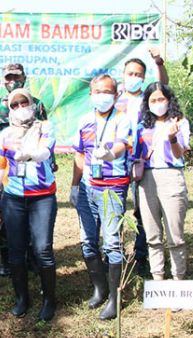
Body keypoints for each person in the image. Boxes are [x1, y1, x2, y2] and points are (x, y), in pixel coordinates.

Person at [0, 88, 58, 321]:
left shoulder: (45, 127)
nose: (19, 108)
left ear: (32, 104)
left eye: (23, 103)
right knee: (16, 250)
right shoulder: (5, 134)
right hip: (13, 198)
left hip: (43, 196)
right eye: (14, 105)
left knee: (42, 248)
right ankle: (22, 298)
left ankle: (49, 300)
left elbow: (46, 153)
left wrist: (29, 154)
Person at [0, 63, 48, 277]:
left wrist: (50, 162)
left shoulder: (37, 104)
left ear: (24, 77)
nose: (12, 81)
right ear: (3, 80)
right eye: (8, 77)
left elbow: (45, 135)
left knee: (35, 216)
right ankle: (7, 259)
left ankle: (34, 257)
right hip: (7, 170)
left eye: (16, 76)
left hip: (34, 171)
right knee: (7, 216)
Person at [70, 74, 131, 321]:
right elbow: (79, 155)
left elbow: (120, 146)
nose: (102, 96)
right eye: (98, 91)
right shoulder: (84, 121)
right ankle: (99, 288)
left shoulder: (122, 119)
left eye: (107, 91)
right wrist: (74, 186)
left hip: (112, 189)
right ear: (91, 94)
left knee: (112, 243)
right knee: (87, 241)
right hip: (87, 188)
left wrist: (109, 154)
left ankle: (115, 300)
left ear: (115, 95)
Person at [115, 48, 170, 275]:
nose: (134, 77)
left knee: (142, 210)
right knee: (116, 209)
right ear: (123, 74)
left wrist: (158, 62)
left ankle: (140, 257)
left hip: (142, 160)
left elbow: (164, 85)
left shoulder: (148, 99)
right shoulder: (115, 99)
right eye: (130, 73)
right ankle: (115, 256)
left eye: (138, 74)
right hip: (117, 162)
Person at [133, 83, 189, 281]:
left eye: (161, 99)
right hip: (147, 179)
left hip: (171, 177)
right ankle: (158, 279)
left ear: (169, 100)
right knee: (152, 234)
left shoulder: (179, 123)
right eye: (153, 100)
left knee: (175, 235)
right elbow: (135, 154)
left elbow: (180, 153)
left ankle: (178, 279)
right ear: (147, 103)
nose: (158, 104)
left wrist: (173, 138)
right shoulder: (141, 126)